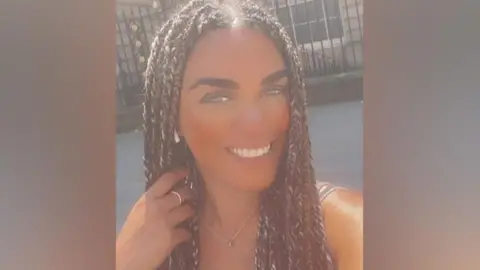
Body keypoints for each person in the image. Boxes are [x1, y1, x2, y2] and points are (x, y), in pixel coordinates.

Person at [116, 0, 363, 269]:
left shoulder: (336, 227)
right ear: (173, 118)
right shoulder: (152, 235)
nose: (256, 123)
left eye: (273, 90)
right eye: (218, 98)